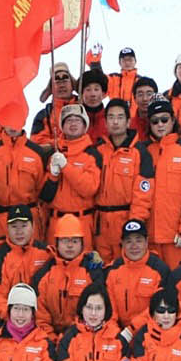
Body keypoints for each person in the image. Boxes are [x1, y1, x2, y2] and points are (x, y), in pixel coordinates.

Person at [139, 96, 181, 264]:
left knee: (178, 279)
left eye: (164, 119)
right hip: (149, 238)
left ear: (173, 120)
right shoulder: (143, 151)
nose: (160, 124)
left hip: (176, 238)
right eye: (155, 121)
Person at [93, 99, 151, 265]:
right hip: (100, 224)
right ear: (105, 122)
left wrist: (134, 225)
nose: (115, 122)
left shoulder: (140, 153)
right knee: (101, 269)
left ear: (128, 121)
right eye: (111, 117)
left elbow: (143, 195)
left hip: (125, 220)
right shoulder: (97, 151)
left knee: (125, 268)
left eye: (120, 117)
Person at [41, 104, 104, 254]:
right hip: (56, 221)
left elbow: (89, 188)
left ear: (85, 125)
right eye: (69, 120)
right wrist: (53, 175)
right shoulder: (52, 152)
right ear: (62, 125)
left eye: (77, 120)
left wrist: (66, 167)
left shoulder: (92, 154)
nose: (73, 124)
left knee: (83, 265)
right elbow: (45, 195)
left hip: (82, 221)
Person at [31, 213, 102, 337]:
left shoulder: (92, 272)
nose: (70, 245)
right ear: (57, 243)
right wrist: (50, 339)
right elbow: (40, 316)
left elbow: (96, 313)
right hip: (47, 338)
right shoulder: (44, 274)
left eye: (74, 241)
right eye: (64, 240)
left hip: (82, 337)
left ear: (82, 243)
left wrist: (70, 339)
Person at [0, 120, 52, 243]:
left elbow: (41, 190)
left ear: (24, 120)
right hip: (2, 219)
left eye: (17, 120)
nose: (13, 126)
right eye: (9, 120)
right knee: (1, 253)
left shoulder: (36, 153)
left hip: (30, 218)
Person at [0, 205, 53, 321]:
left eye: (24, 226)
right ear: (7, 228)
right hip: (9, 318)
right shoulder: (0, 256)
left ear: (33, 226)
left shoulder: (46, 253)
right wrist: (12, 315)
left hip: (39, 319)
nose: (19, 232)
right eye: (14, 226)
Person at [103, 218, 171, 335]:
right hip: (118, 332)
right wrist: (115, 332)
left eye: (138, 240)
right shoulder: (113, 270)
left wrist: (131, 331)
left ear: (146, 241)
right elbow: (110, 308)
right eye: (129, 241)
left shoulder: (160, 270)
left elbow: (159, 309)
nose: (134, 246)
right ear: (122, 243)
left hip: (150, 332)